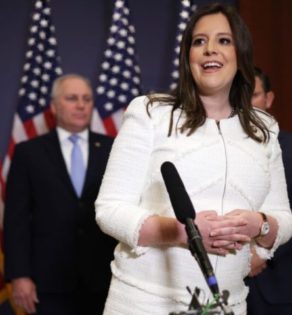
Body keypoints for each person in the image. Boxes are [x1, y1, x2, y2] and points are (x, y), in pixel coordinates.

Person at [95, 4, 292, 315]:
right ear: (187, 56)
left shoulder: (264, 128)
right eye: (199, 41)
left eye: (223, 40)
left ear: (241, 54)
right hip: (145, 303)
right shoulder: (150, 113)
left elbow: (283, 217)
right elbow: (109, 210)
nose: (210, 49)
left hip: (226, 304)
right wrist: (183, 233)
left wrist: (260, 225)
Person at [3, 74, 116, 315]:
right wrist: (19, 275)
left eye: (87, 99)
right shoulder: (28, 153)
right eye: (72, 98)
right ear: (54, 107)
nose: (81, 105)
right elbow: (16, 220)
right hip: (48, 283)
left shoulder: (113, 149)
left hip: (105, 280)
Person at [246, 67, 292, 314]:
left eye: (253, 95)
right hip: (222, 288)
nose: (246, 103)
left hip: (278, 289)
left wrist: (265, 253)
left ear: (268, 99)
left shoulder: (290, 149)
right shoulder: (216, 148)